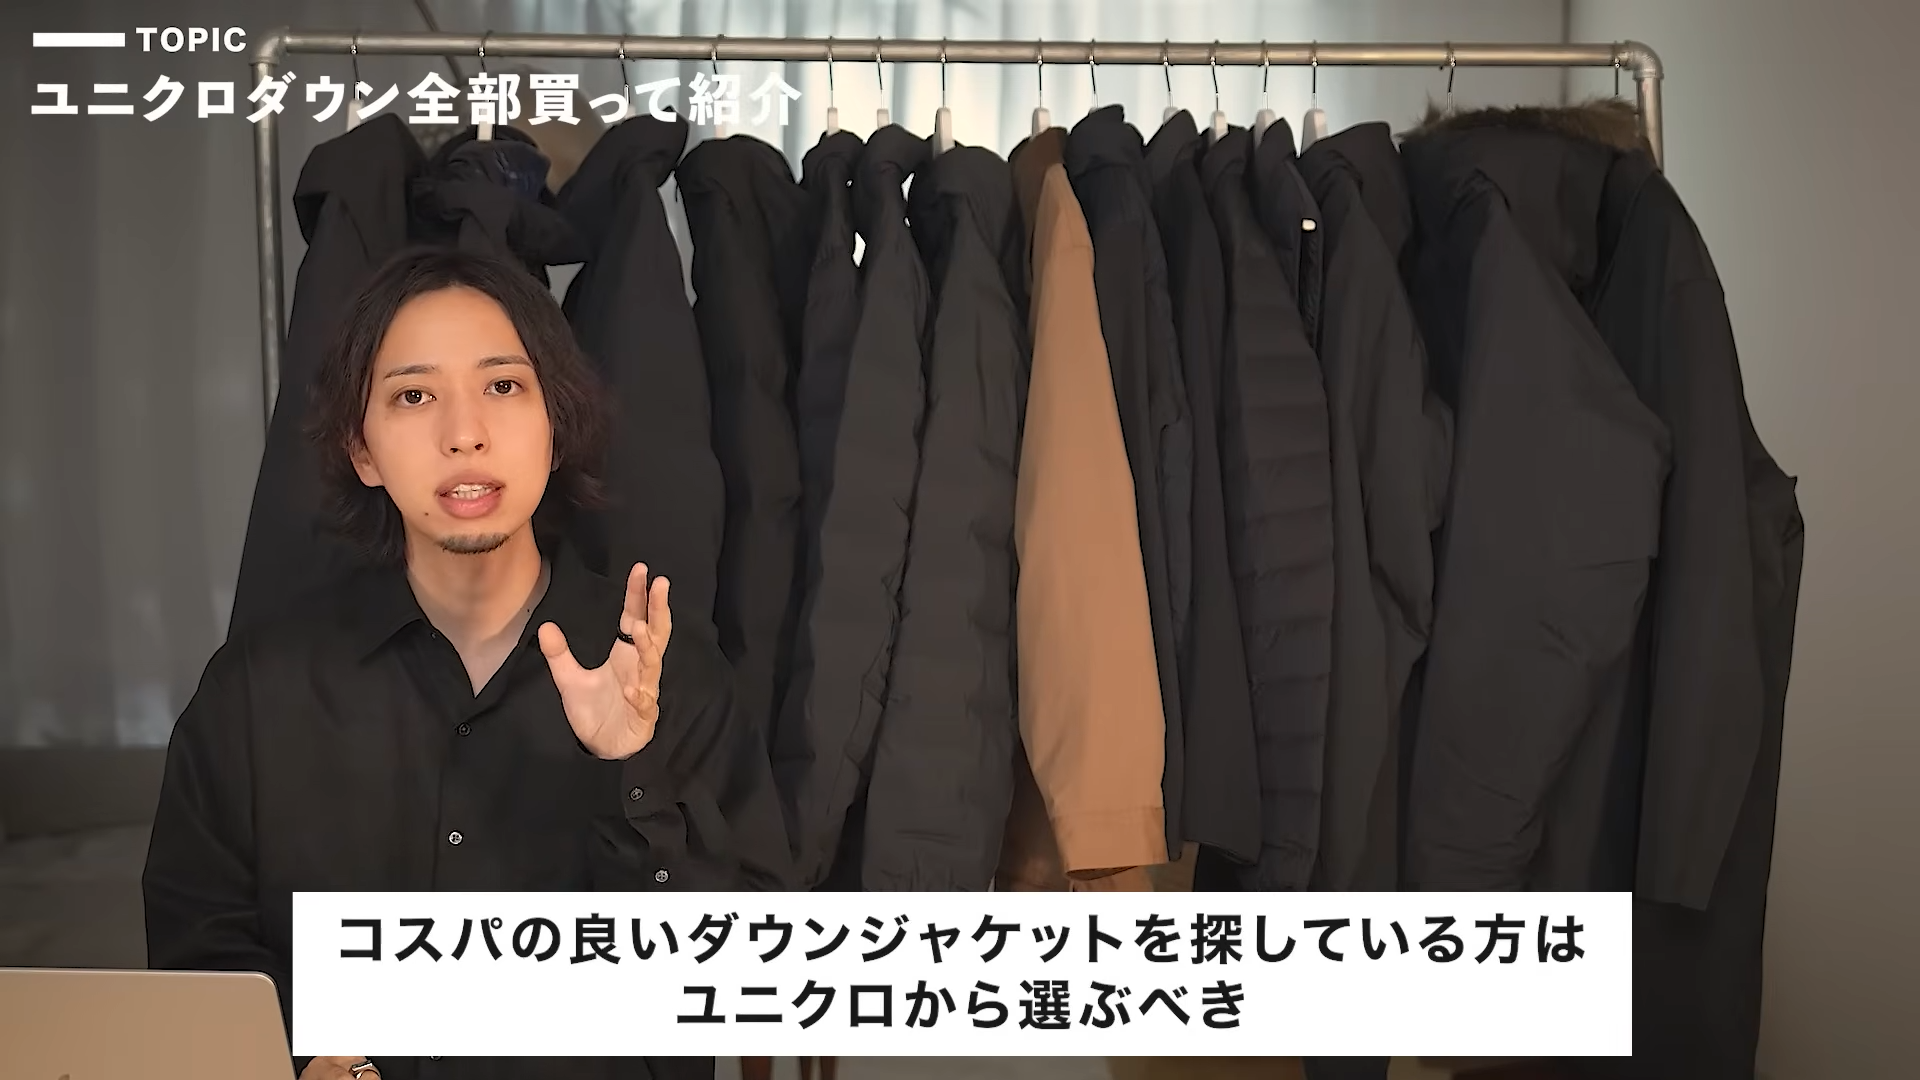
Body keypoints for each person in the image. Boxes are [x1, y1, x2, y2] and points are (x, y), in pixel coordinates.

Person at [142, 248, 791, 1080]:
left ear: (555, 427)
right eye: (413, 396)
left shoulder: (669, 672)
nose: (463, 433)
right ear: (362, 450)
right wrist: (302, 1059)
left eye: (503, 386)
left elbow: (742, 969)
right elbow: (199, 946)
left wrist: (631, 776)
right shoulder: (256, 691)